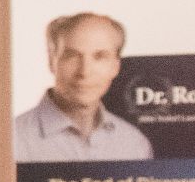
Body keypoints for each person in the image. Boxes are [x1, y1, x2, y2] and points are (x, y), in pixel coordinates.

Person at [13, 10, 153, 160]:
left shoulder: (134, 145)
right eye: (72, 56)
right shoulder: (11, 139)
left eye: (99, 57)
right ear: (52, 61)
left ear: (115, 67)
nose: (84, 72)